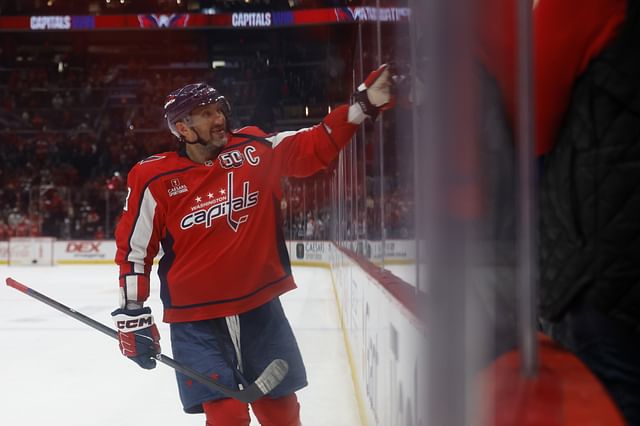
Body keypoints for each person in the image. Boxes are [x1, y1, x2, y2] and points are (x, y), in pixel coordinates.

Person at [110, 64, 394, 425]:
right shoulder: (154, 177)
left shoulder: (254, 149)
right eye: (205, 114)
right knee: (226, 415)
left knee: (282, 413)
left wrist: (362, 106)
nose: (218, 119)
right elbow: (135, 251)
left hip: (260, 308)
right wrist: (132, 312)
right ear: (182, 128)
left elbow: (313, 144)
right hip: (195, 321)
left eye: (218, 110)